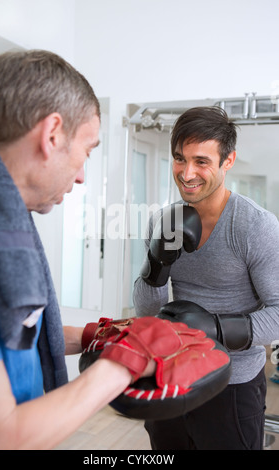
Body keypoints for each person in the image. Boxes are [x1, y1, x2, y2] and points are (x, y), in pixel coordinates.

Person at [0, 50, 159, 450]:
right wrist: (122, 365)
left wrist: (96, 337)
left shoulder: (2, 222)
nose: (81, 176)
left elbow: (6, 335)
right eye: (88, 150)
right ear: (53, 134)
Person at [133, 106, 279, 450]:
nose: (187, 173)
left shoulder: (255, 226)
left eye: (201, 161)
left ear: (228, 161)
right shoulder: (162, 221)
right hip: (170, 376)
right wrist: (157, 263)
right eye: (179, 159)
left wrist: (214, 327)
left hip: (231, 385)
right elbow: (147, 311)